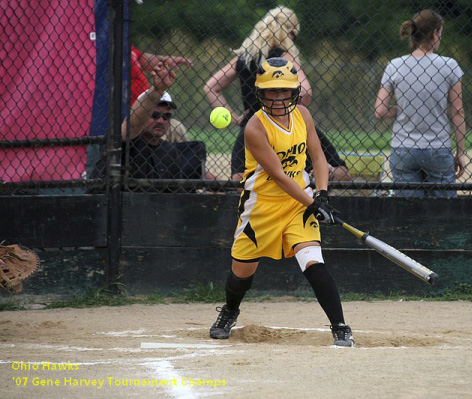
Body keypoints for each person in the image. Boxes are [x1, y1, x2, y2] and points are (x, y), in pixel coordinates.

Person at [209, 57, 354, 347]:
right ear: (260, 93)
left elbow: (318, 158)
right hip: (261, 207)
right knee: (242, 274)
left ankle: (340, 327)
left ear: (294, 92)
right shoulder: (255, 127)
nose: (278, 97)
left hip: (297, 205)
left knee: (313, 262)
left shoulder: (303, 115)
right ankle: (230, 311)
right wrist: (314, 202)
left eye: (284, 90)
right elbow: (277, 176)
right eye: (271, 91)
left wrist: (322, 194)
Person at [203, 6, 350, 182]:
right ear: (289, 32)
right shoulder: (284, 57)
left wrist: (236, 118)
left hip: (251, 124)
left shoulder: (244, 57)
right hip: (286, 123)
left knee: (242, 178)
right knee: (331, 170)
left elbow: (211, 87)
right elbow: (306, 91)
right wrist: (293, 109)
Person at [374, 9, 466, 197]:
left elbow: (380, 111)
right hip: (438, 148)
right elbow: (457, 111)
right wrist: (461, 152)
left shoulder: (395, 65)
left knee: (409, 213)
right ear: (435, 33)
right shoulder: (449, 66)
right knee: (443, 212)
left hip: (403, 148)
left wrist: (402, 109)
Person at [91, 63, 217, 188]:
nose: (161, 121)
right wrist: (157, 91)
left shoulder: (169, 152)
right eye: (154, 115)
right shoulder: (126, 142)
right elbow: (132, 127)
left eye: (166, 116)